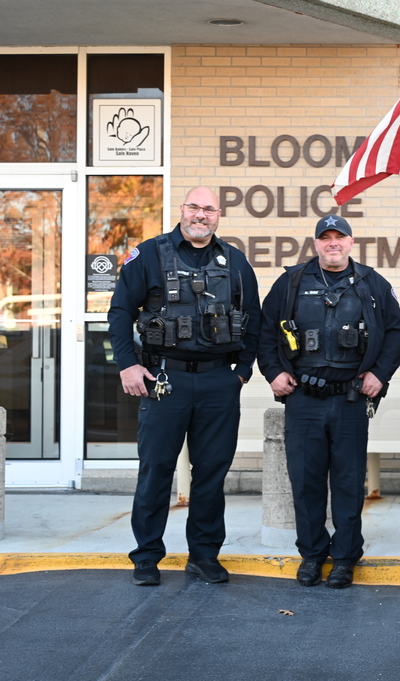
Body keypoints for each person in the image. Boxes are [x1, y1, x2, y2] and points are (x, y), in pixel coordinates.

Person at [108, 186, 261, 587]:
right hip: (164, 379)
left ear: (218, 216)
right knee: (157, 469)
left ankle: (204, 555)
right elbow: (121, 311)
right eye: (194, 207)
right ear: (182, 210)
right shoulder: (150, 254)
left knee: (211, 472)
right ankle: (146, 557)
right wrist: (127, 364)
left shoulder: (237, 263)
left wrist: (240, 373)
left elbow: (255, 322)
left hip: (218, 381)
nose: (201, 215)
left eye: (209, 209)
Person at [257, 215, 400, 588]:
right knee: (305, 482)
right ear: (316, 243)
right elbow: (264, 330)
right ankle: (311, 555)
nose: (333, 243)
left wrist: (379, 375)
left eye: (340, 237)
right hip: (303, 400)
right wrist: (273, 372)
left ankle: (344, 558)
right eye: (326, 238)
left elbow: (394, 331)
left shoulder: (372, 283)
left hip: (350, 400)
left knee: (348, 482)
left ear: (351, 242)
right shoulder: (292, 281)